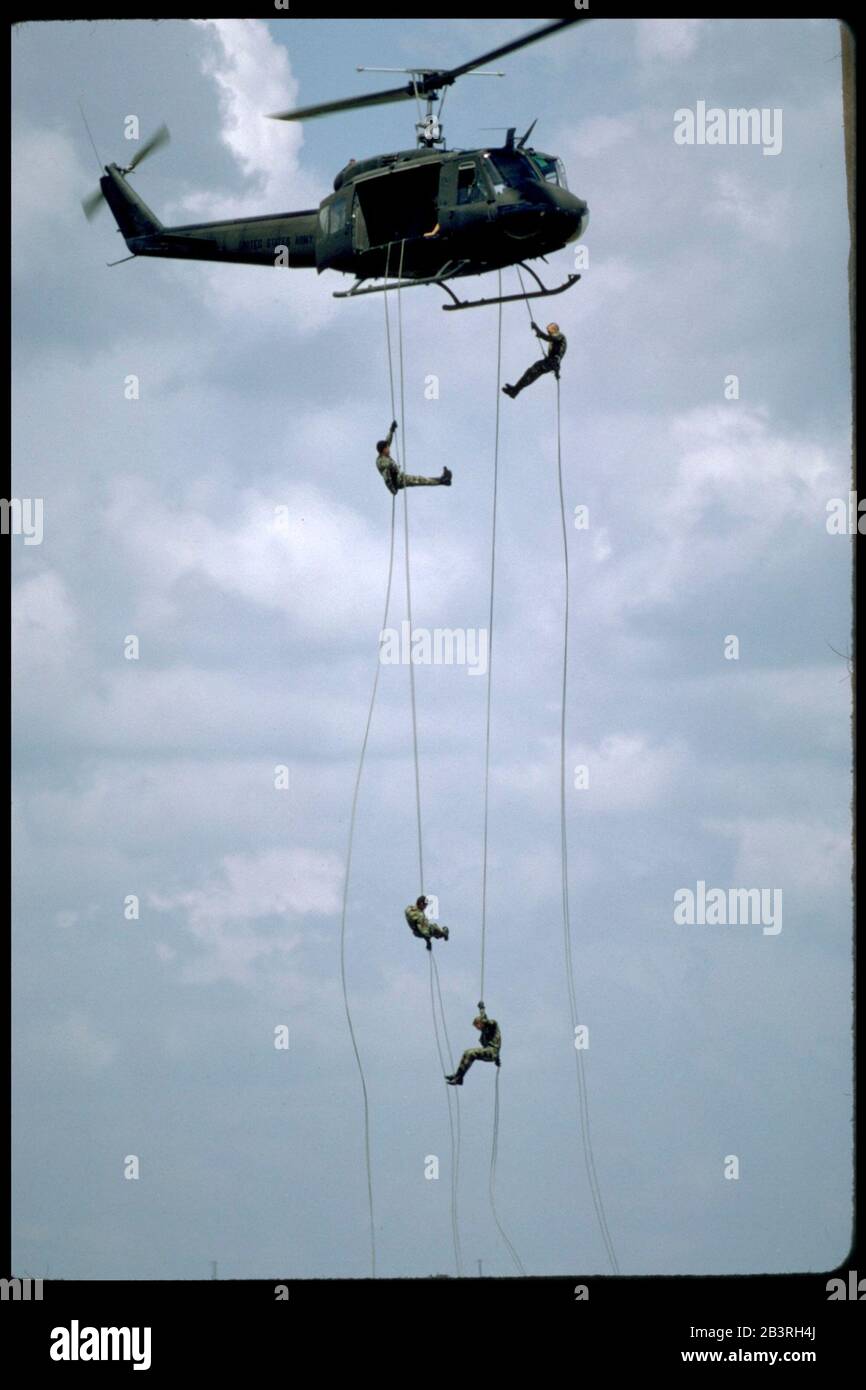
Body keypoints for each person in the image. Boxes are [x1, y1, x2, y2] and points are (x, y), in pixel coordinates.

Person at [376, 420, 452, 494]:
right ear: (383, 450)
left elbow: (388, 441)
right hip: (397, 481)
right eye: (387, 448)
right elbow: (387, 469)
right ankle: (442, 481)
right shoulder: (380, 461)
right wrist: (393, 487)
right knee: (419, 480)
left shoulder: (384, 454)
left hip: (399, 477)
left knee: (420, 479)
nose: (389, 449)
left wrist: (391, 430)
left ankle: (442, 480)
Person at [502, 321, 567, 398]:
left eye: (549, 331)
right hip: (550, 362)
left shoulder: (560, 335)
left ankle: (515, 390)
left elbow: (548, 338)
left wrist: (536, 328)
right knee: (531, 373)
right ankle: (515, 390)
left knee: (532, 372)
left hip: (551, 362)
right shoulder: (556, 340)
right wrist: (557, 372)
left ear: (555, 329)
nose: (548, 333)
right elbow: (557, 361)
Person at [445, 1002, 501, 1084]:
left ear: (481, 1022)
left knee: (471, 1053)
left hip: (492, 1051)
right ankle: (458, 1075)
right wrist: (497, 1059)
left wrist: (481, 1008)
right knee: (467, 1053)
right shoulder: (483, 1036)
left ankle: (459, 1078)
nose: (477, 1028)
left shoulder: (493, 1025)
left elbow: (485, 1019)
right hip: (490, 1052)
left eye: (477, 1025)